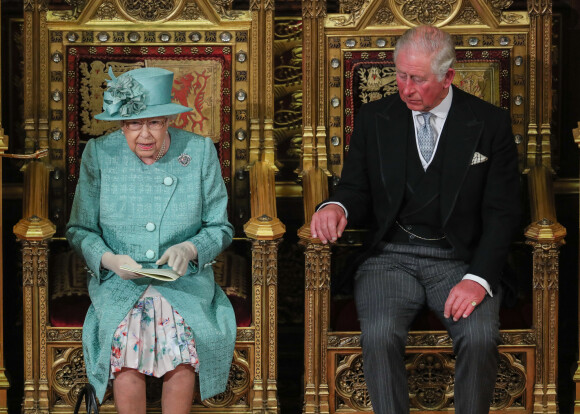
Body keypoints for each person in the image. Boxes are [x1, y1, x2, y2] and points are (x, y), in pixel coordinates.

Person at [310, 25, 520, 414]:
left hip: (460, 262)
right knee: (379, 333)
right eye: (401, 75)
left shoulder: (489, 124)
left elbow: (502, 213)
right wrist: (335, 207)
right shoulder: (376, 118)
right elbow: (355, 188)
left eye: (418, 79)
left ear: (448, 77)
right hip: (390, 257)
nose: (406, 88)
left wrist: (478, 279)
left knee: (478, 337)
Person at [66, 67, 236, 413]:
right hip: (119, 282)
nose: (144, 135)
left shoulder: (200, 152)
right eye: (133, 124)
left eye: (154, 123)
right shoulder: (99, 154)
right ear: (120, 125)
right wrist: (109, 260)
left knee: (183, 349)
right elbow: (79, 229)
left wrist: (190, 249)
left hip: (183, 282)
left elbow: (220, 227)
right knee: (126, 341)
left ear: (168, 121)